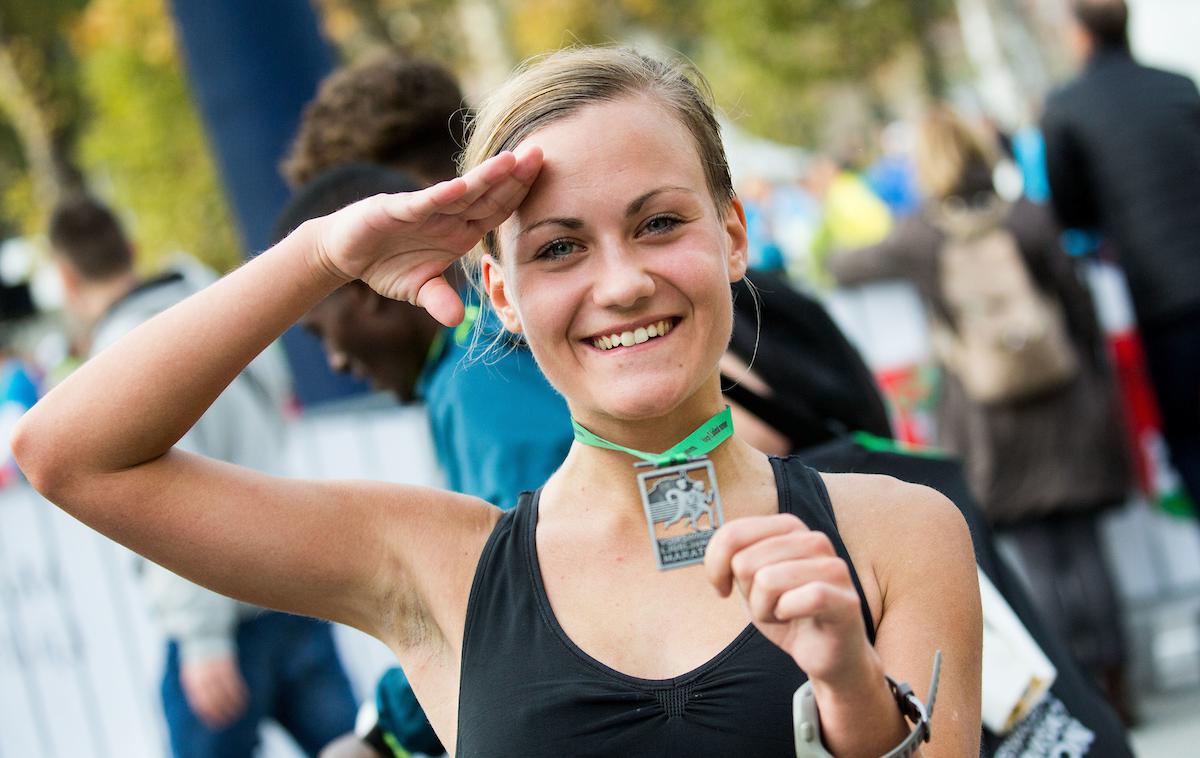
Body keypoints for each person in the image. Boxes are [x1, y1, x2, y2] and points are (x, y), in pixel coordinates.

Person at [15, 48, 981, 756]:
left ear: (732, 236)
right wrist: (320, 255)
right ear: (502, 292)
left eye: (658, 224)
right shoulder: (438, 567)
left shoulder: (896, 535)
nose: (622, 282)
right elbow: (72, 455)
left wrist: (852, 688)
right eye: (559, 247)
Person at [281, 54, 574, 757]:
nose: (338, 361)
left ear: (415, 196)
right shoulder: (514, 322)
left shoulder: (480, 365)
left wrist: (385, 734)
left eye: (361, 221)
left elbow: (516, 591)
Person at [830, 106, 1134, 719]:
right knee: (1086, 545)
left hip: (988, 417)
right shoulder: (1029, 219)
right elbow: (1078, 309)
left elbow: (846, 266)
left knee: (1037, 558)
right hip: (1064, 401)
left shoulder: (919, 236)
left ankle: (1074, 688)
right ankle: (1120, 684)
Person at [45, 195, 358, 758]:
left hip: (224, 608)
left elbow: (159, 499)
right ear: (132, 249)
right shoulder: (225, 306)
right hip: (296, 581)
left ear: (66, 278)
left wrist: (201, 637)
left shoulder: (128, 356)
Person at [1040, 0, 1200, 510]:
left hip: (1160, 296)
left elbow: (1068, 209)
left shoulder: (1068, 105)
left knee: (1190, 432)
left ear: (1081, 35)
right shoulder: (1178, 85)